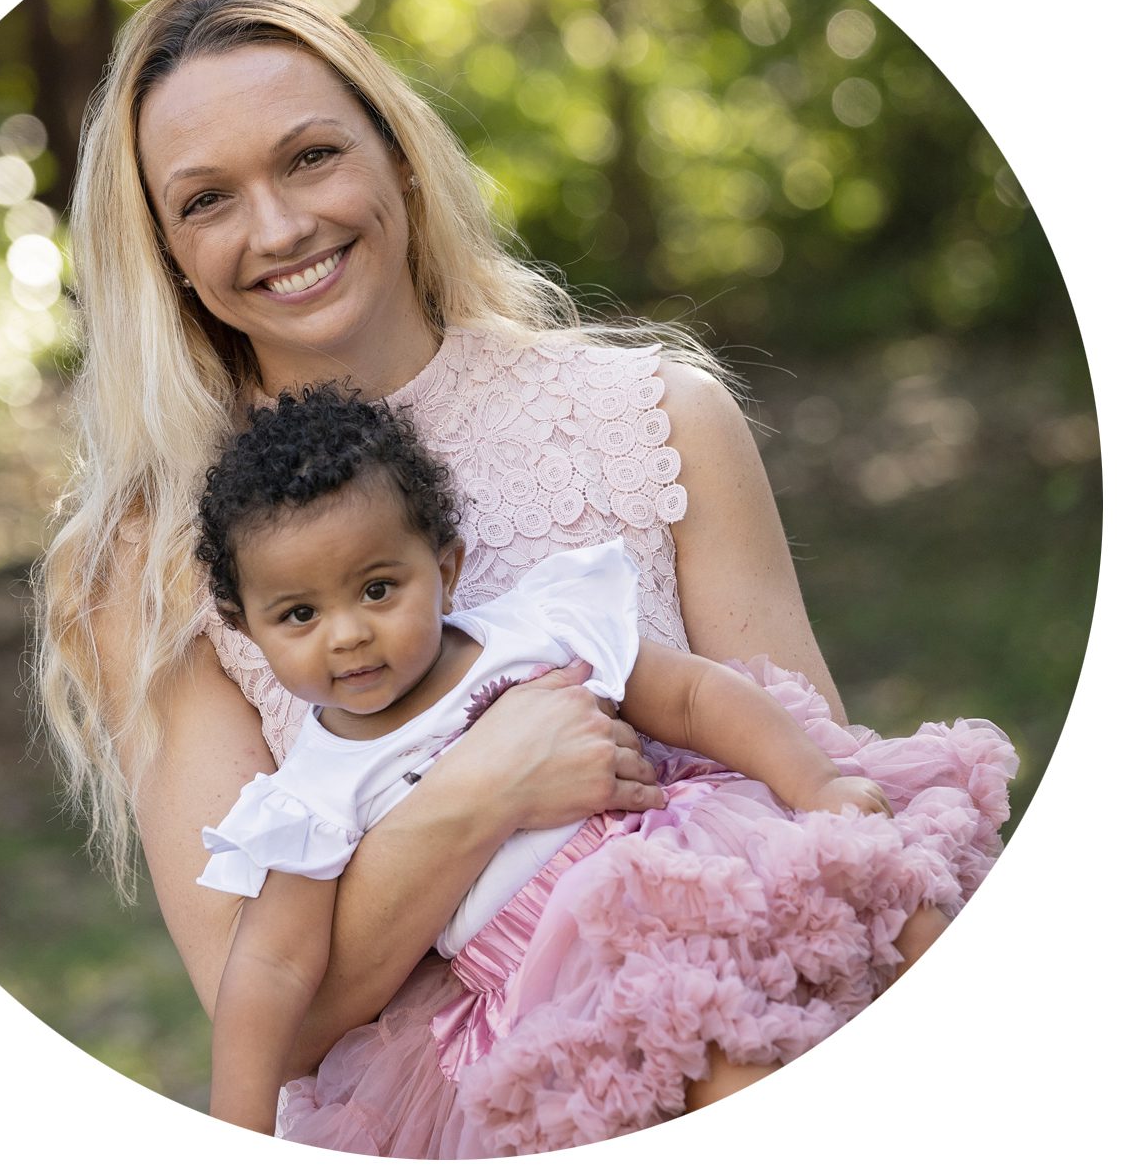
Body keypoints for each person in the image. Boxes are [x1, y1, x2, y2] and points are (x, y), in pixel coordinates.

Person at [33, 0, 1014, 1155]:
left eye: (310, 156)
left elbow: (818, 804)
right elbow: (273, 1015)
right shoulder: (147, 565)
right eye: (206, 200)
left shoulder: (658, 417)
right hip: (473, 1094)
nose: (279, 227)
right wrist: (481, 789)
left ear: (398, 159)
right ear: (166, 253)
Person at [190, 384, 1011, 1153]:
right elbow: (271, 968)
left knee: (906, 921)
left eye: (377, 590)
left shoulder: (533, 630)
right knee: (724, 1069)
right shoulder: (309, 799)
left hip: (692, 861)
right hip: (566, 977)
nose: (347, 634)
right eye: (300, 614)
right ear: (246, 626)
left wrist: (815, 783)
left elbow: (689, 697)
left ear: (443, 569)